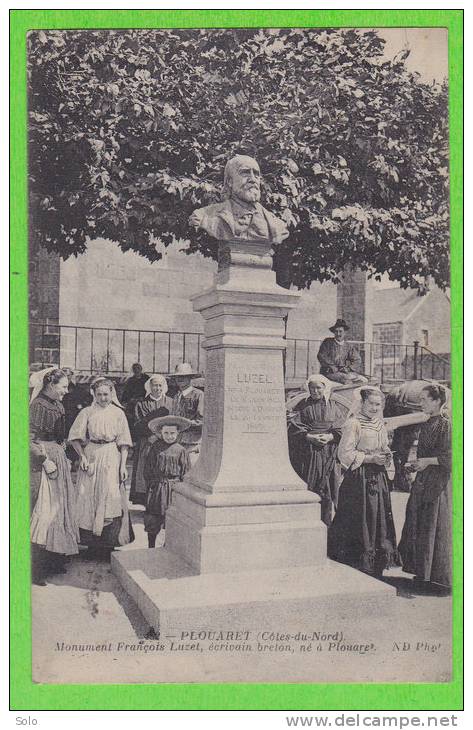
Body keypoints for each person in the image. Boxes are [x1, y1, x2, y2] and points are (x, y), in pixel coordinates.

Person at [328, 386, 399, 576]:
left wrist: (385, 455)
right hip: (359, 477)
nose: (375, 408)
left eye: (378, 404)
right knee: (361, 516)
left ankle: (376, 564)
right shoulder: (353, 424)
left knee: (378, 516)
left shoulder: (379, 424)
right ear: (362, 403)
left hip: (378, 475)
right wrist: (370, 459)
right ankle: (355, 562)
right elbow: (344, 453)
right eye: (371, 403)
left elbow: (383, 446)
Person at [68, 377, 134, 559]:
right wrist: (81, 456)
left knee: (110, 496)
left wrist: (123, 465)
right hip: (91, 455)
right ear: (94, 394)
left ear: (112, 393)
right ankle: (91, 545)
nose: (103, 398)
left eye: (106, 394)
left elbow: (124, 442)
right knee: (87, 496)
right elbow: (74, 437)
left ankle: (109, 544)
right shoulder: (87, 412)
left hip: (111, 455)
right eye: (99, 394)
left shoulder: (118, 413)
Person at [398, 384, 452, 593]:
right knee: (420, 525)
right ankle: (424, 575)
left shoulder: (446, 425)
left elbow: (453, 457)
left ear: (437, 401)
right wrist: (415, 464)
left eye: (424, 399)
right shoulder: (428, 422)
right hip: (424, 480)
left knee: (435, 527)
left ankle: (439, 580)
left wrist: (427, 462)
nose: (420, 403)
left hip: (438, 485)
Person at [29, 367, 80, 585]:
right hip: (42, 462)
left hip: (57, 458)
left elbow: (60, 437)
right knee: (44, 510)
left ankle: (53, 559)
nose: (66, 391)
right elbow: (26, 438)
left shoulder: (58, 405)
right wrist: (44, 460)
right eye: (63, 386)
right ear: (51, 385)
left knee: (59, 510)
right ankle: (36, 569)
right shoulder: (38, 405)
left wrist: (63, 455)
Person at [287, 374, 347, 525]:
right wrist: (309, 437)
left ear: (325, 388)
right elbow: (294, 427)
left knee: (328, 488)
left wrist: (330, 437)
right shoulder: (303, 406)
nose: (314, 391)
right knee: (310, 485)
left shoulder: (334, 406)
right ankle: (306, 523)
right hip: (309, 453)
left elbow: (341, 428)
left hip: (329, 453)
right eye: (311, 388)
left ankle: (326, 525)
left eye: (318, 388)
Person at [189, 155, 289, 243]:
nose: (253, 179)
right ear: (229, 181)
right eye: (245, 173)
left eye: (256, 174)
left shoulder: (277, 224)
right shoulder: (205, 216)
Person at [143, 415, 191, 548]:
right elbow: (147, 470)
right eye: (166, 433)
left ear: (177, 433)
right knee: (153, 519)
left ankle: (168, 546)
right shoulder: (155, 448)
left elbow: (186, 473)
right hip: (157, 488)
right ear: (160, 433)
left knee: (172, 519)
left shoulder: (181, 450)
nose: (169, 436)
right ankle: (151, 546)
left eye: (172, 433)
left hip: (174, 489)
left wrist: (180, 489)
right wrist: (153, 486)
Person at [129, 374, 173, 506]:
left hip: (166, 442)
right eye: (155, 385)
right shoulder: (141, 404)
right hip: (147, 442)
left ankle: (162, 503)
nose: (157, 388)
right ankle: (147, 504)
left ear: (163, 386)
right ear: (150, 386)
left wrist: (162, 435)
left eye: (160, 385)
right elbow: (137, 423)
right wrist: (151, 435)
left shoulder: (170, 402)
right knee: (146, 472)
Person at [170, 363, 204, 464]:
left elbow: (201, 421)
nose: (180, 379)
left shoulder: (199, 395)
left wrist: (184, 423)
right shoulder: (176, 396)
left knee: (190, 470)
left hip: (192, 442)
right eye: (178, 377)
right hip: (177, 441)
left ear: (190, 378)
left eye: (183, 377)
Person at [317, 319, 368, 385]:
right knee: (347, 381)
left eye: (340, 331)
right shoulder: (327, 342)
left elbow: (357, 359)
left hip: (343, 372)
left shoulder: (348, 346)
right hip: (328, 372)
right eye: (336, 331)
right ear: (334, 332)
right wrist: (331, 366)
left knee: (363, 380)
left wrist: (348, 368)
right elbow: (321, 356)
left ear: (345, 332)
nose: (338, 334)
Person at [121, 363, 149, 429]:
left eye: (138, 368)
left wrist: (144, 398)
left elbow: (149, 391)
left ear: (141, 369)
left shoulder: (146, 379)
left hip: (144, 401)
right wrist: (130, 400)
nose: (137, 370)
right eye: (135, 369)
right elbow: (126, 394)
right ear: (133, 370)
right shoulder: (130, 381)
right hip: (133, 402)